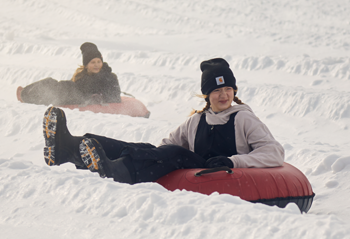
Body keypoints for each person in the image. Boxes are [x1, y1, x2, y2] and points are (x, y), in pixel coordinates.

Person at [42, 58, 284, 184]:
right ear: (207, 95)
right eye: (217, 91)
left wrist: (234, 160)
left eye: (228, 89)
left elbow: (274, 152)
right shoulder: (197, 120)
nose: (224, 95)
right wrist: (153, 155)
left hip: (219, 170)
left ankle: (118, 170)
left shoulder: (242, 118)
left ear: (234, 91)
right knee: (153, 149)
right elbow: (167, 144)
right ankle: (70, 146)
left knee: (175, 153)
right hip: (198, 167)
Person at [18, 43, 121, 106]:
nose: (96, 65)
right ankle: (25, 93)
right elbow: (77, 85)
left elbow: (114, 97)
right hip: (75, 93)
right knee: (50, 82)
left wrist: (97, 97)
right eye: (92, 62)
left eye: (98, 61)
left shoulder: (109, 77)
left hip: (79, 98)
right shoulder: (83, 74)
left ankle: (25, 95)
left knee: (53, 91)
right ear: (86, 65)